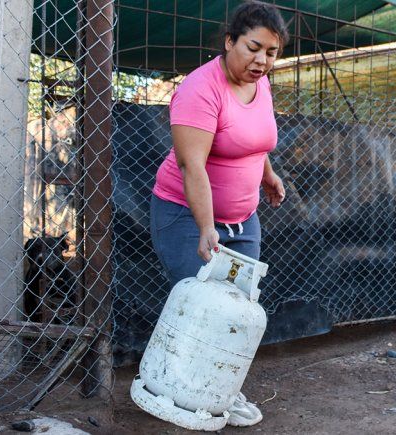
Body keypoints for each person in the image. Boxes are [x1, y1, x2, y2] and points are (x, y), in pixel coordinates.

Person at [149, 1, 289, 427]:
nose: (262, 60)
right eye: (253, 47)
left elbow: (256, 139)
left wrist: (268, 175)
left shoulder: (259, 82)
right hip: (184, 214)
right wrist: (207, 227)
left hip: (244, 220)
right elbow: (194, 166)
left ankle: (222, 391)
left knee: (237, 309)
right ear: (229, 41)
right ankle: (177, 391)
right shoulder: (199, 89)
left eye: (272, 52)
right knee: (202, 307)